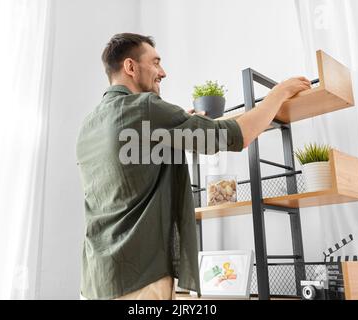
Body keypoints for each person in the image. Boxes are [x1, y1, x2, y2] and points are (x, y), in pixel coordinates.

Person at [76, 33, 311, 300]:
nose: (162, 72)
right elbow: (235, 136)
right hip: (139, 280)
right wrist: (277, 94)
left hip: (96, 279)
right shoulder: (145, 107)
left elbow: (127, 177)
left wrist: (176, 129)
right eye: (155, 62)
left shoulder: (89, 125)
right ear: (130, 67)